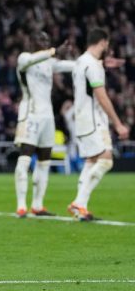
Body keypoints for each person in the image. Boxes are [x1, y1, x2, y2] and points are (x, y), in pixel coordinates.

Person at [68, 28, 129, 221]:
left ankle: (81, 209)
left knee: (92, 161)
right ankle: (79, 201)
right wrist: (118, 123)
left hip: (81, 118)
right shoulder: (93, 66)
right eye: (107, 43)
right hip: (94, 118)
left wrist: (104, 64)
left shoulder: (80, 62)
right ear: (103, 42)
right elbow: (101, 96)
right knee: (106, 160)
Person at [13, 32, 74, 218]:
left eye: (48, 40)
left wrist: (98, 63)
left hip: (48, 117)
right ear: (32, 42)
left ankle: (38, 205)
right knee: (25, 158)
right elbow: (32, 59)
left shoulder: (49, 63)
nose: (46, 43)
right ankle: (21, 205)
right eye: (42, 40)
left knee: (45, 161)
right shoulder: (24, 58)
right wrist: (54, 50)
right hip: (30, 115)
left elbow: (71, 65)